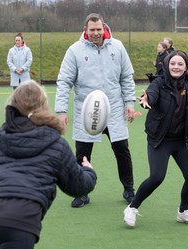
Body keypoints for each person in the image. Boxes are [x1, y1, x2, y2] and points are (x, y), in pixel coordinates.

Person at [0, 80, 97, 249]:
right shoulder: (55, 142)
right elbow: (77, 186)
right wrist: (89, 172)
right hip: (20, 222)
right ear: (43, 105)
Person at [55, 13, 136, 208]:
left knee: (122, 151)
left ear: (104, 28)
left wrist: (130, 103)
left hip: (114, 108)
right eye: (92, 30)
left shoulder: (117, 47)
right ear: (86, 30)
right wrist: (61, 111)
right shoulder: (74, 50)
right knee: (82, 154)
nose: (96, 33)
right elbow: (64, 82)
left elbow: (127, 76)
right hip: (87, 110)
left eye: (99, 29)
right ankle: (81, 192)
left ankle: (129, 190)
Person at [123, 50, 188, 228]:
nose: (176, 67)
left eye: (180, 64)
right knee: (156, 177)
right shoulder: (159, 82)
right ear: (167, 65)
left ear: (185, 67)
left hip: (181, 140)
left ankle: (183, 212)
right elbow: (151, 94)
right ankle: (132, 208)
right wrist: (147, 98)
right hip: (159, 140)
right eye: (173, 63)